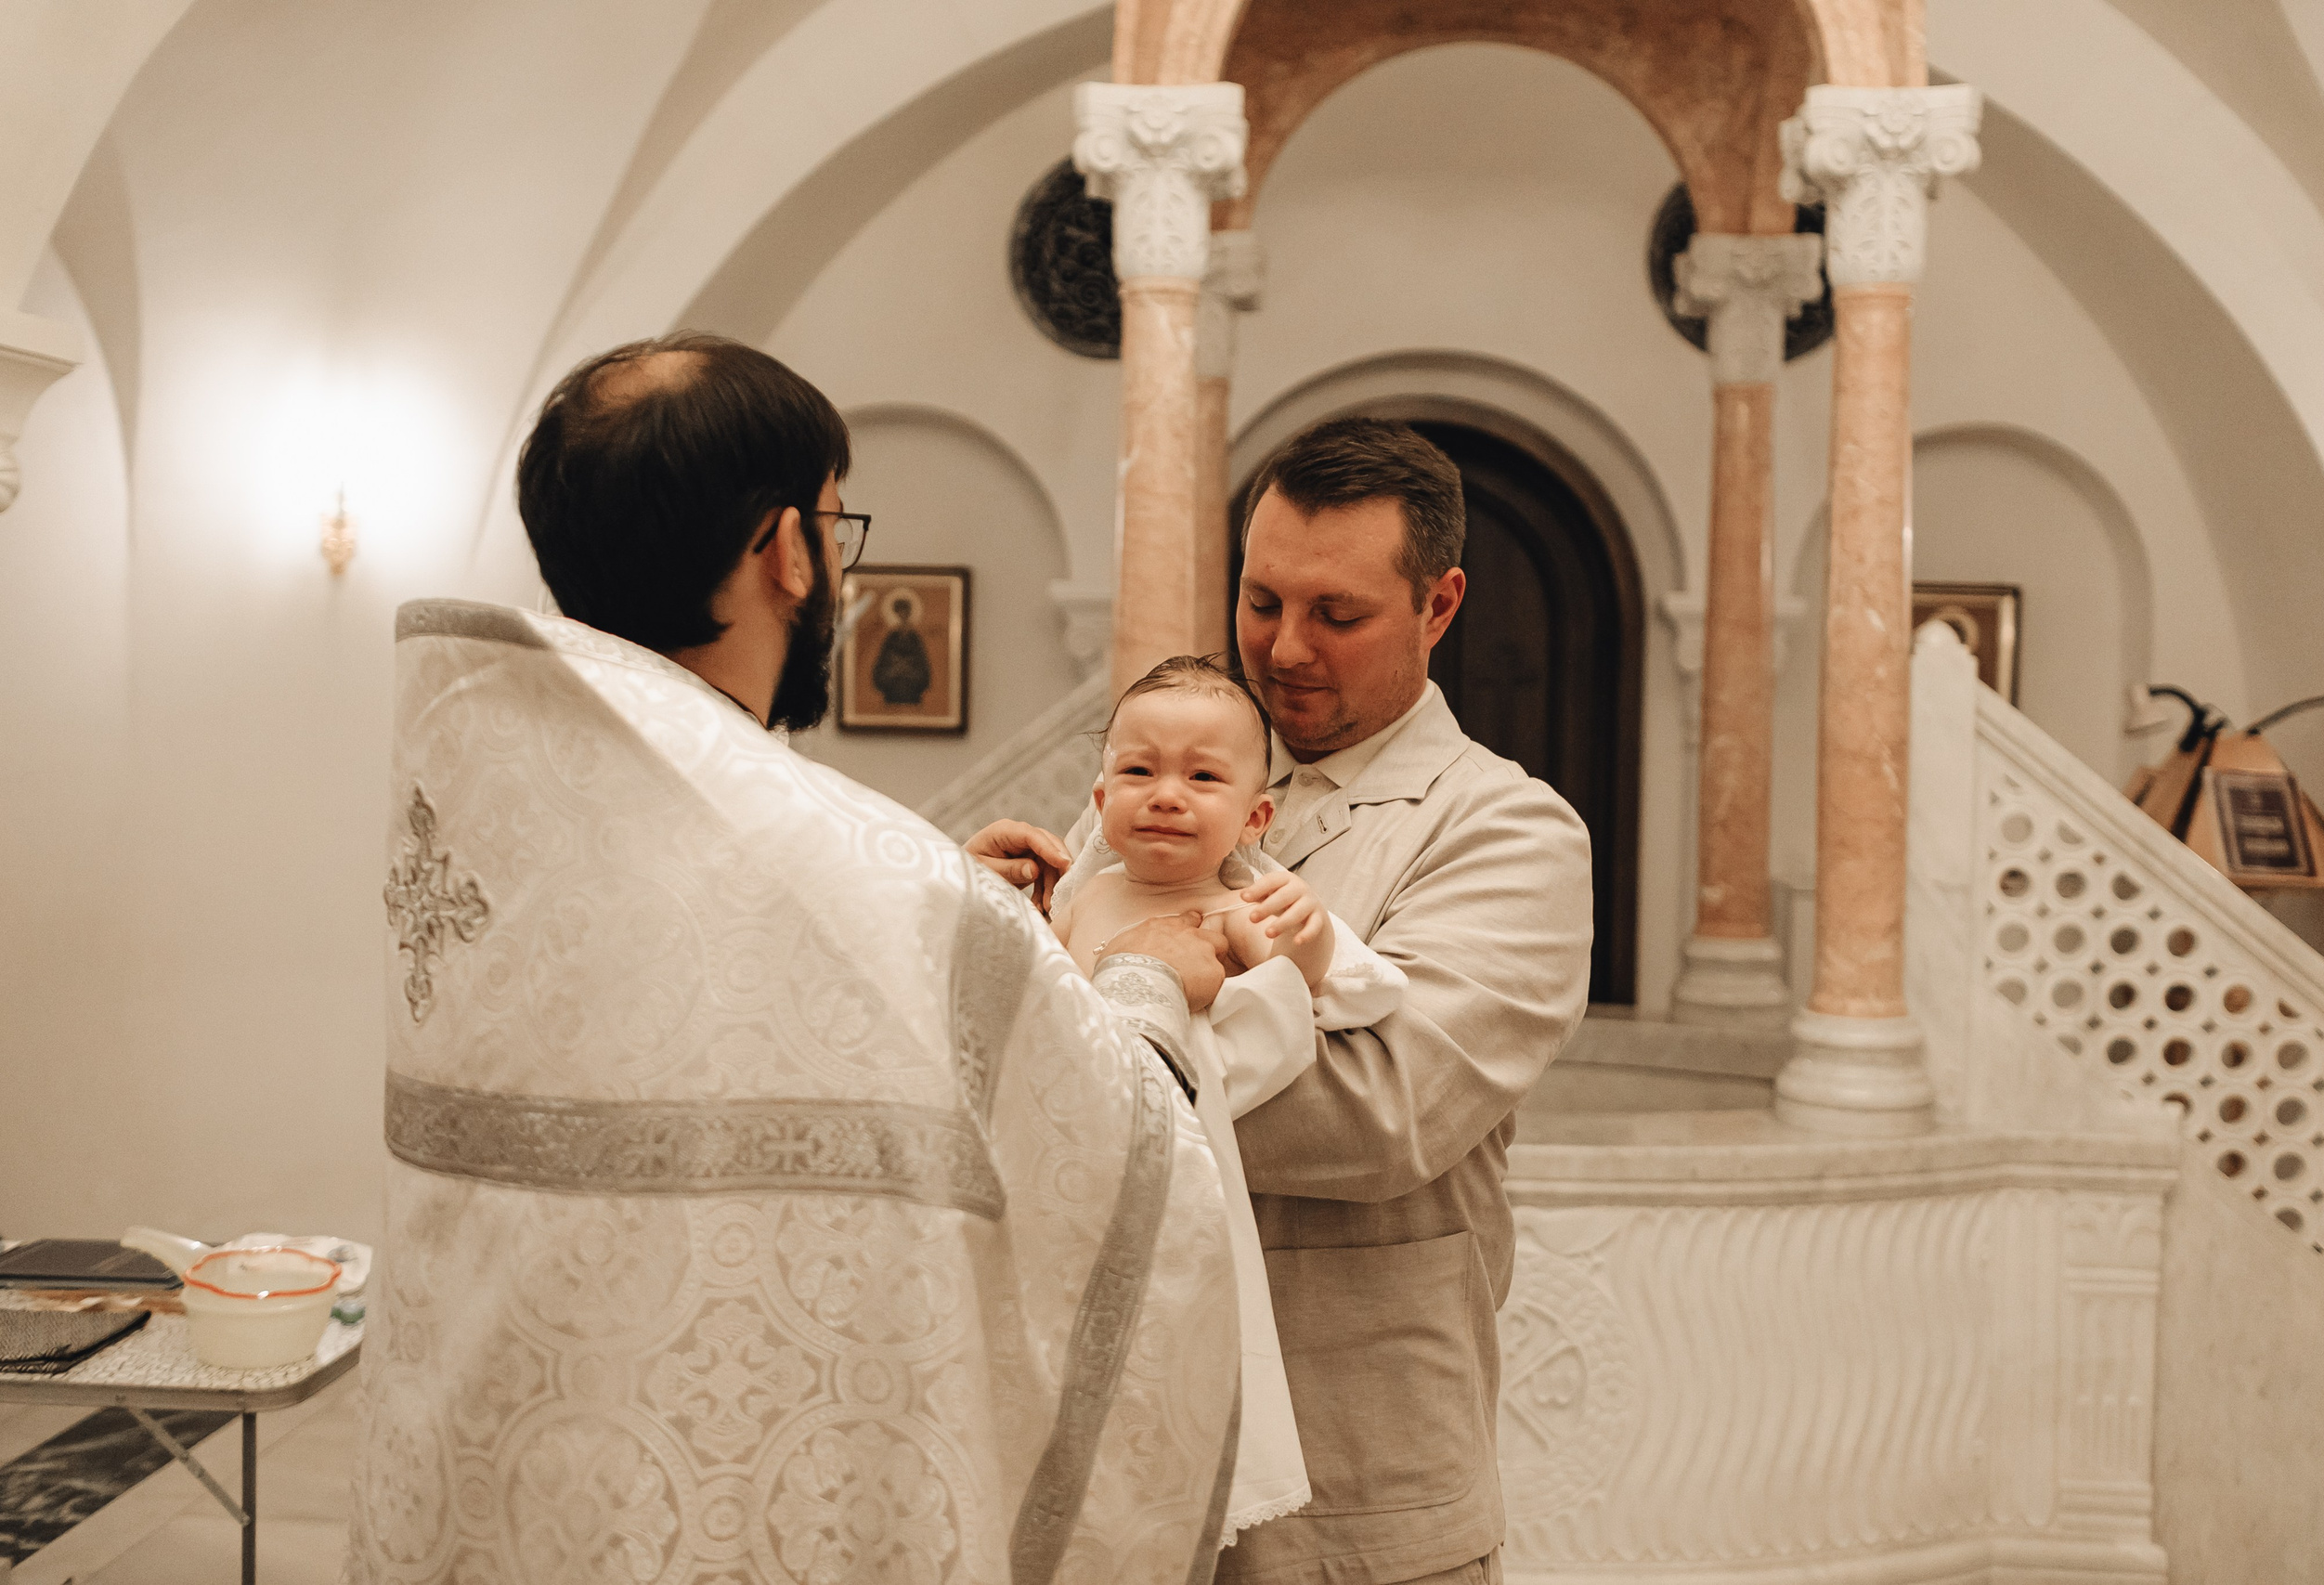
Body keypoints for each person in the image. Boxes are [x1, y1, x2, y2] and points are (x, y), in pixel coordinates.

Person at [345, 333, 1243, 1585]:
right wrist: (1146, 980)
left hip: (503, 1504)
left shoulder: (496, 813)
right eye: (836, 524)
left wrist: (950, 915)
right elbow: (1119, 1171)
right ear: (786, 548)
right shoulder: (877, 879)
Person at [986, 417, 1596, 1585]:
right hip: (1127, 1460)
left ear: (1441, 606)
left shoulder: (1507, 831)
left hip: (1353, 1483)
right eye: (1261, 602)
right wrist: (992, 927)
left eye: (1338, 614)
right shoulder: (1164, 782)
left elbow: (1382, 1112)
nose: (1284, 649)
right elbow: (1064, 991)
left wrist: (1085, 1039)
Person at [1046, 654, 1409, 1551]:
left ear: (1254, 817)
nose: (1166, 794)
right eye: (1138, 771)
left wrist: (1308, 952)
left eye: (1201, 777)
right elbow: (1039, 1006)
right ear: (1099, 803)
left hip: (1183, 1176)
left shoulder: (1244, 911)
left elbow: (1353, 1000)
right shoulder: (1082, 897)